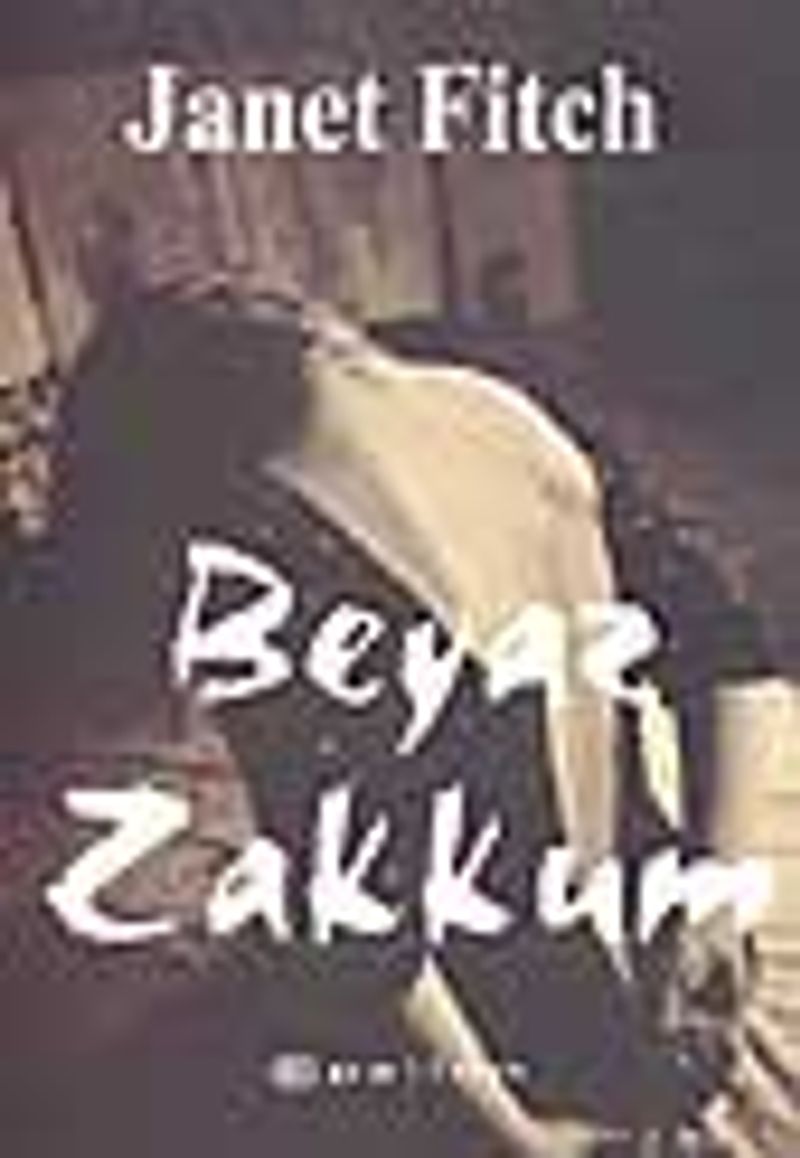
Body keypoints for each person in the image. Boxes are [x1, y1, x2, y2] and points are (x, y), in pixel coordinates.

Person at [4, 281, 685, 1156]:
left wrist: (522, 1140)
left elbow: (362, 933)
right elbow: (718, 642)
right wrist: (712, 895)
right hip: (644, 937)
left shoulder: (281, 571)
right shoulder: (492, 400)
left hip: (510, 1024)